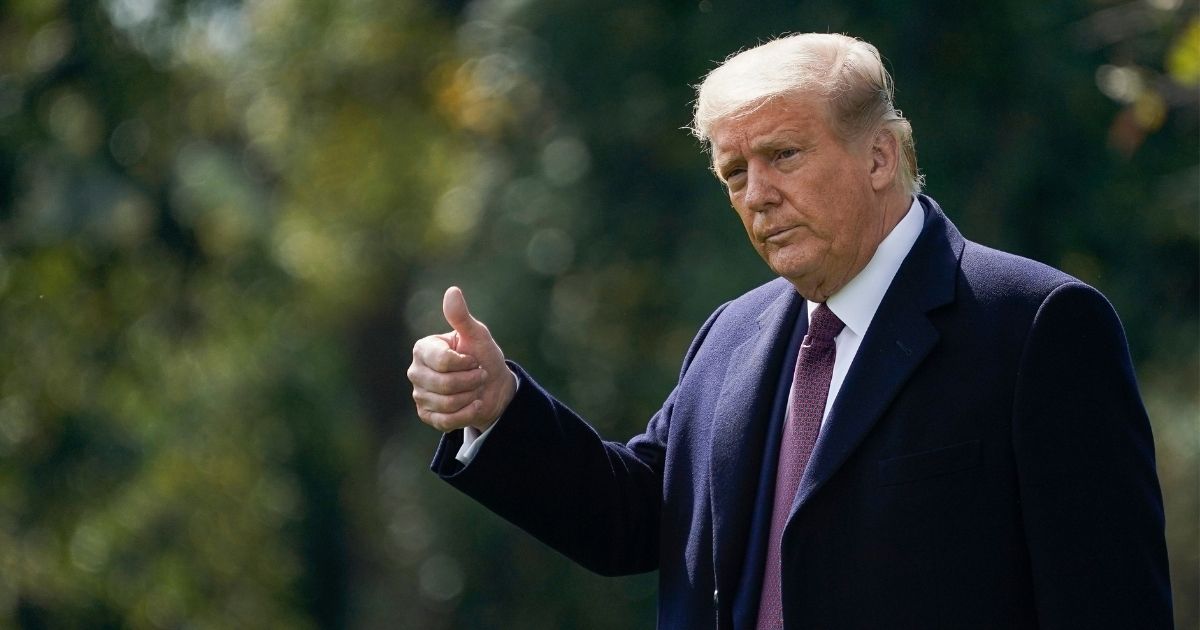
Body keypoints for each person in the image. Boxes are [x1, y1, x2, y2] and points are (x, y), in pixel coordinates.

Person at [407, 33, 1172, 629]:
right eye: (735, 173)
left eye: (783, 155)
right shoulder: (731, 336)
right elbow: (636, 520)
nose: (758, 195)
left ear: (880, 157)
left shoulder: (1036, 324)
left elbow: (1110, 608)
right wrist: (499, 409)